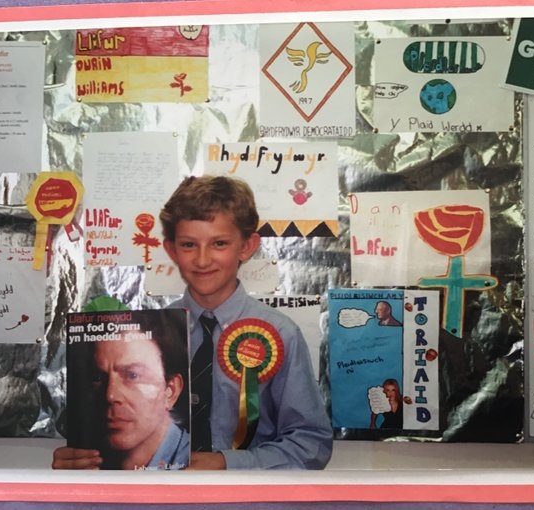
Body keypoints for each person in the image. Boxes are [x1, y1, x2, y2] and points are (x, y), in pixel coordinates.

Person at [54, 175, 333, 470]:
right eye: (188, 245)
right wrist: (81, 460)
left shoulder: (280, 334)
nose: (202, 260)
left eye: (219, 243)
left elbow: (310, 443)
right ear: (171, 250)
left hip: (244, 494)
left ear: (247, 246)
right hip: (157, 492)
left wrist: (227, 463)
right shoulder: (145, 336)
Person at [54, 310, 189, 470]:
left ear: (170, 391)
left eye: (132, 375)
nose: (110, 395)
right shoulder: (88, 455)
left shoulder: (194, 462)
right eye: (98, 378)